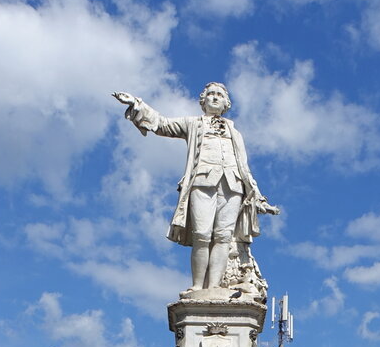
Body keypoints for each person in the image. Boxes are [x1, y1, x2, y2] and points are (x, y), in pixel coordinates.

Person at [112, 83, 280, 294]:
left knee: (223, 237)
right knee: (201, 234)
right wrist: (137, 105)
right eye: (211, 94)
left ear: (226, 102)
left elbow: (244, 167)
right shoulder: (193, 123)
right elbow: (163, 124)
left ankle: (214, 287)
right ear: (203, 100)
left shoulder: (234, 131)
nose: (215, 98)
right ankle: (198, 286)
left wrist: (258, 197)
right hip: (202, 181)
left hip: (233, 185)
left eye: (220, 95)